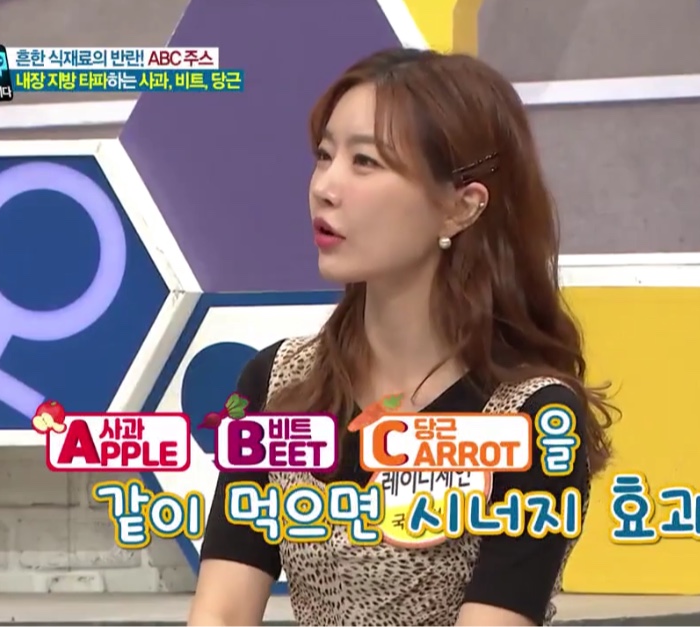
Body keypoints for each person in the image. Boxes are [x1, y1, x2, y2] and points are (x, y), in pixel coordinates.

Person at [187, 47, 615, 627]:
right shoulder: (277, 384)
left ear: (460, 208)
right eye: (324, 155)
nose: (325, 187)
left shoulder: (530, 419)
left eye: (365, 162)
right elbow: (221, 613)